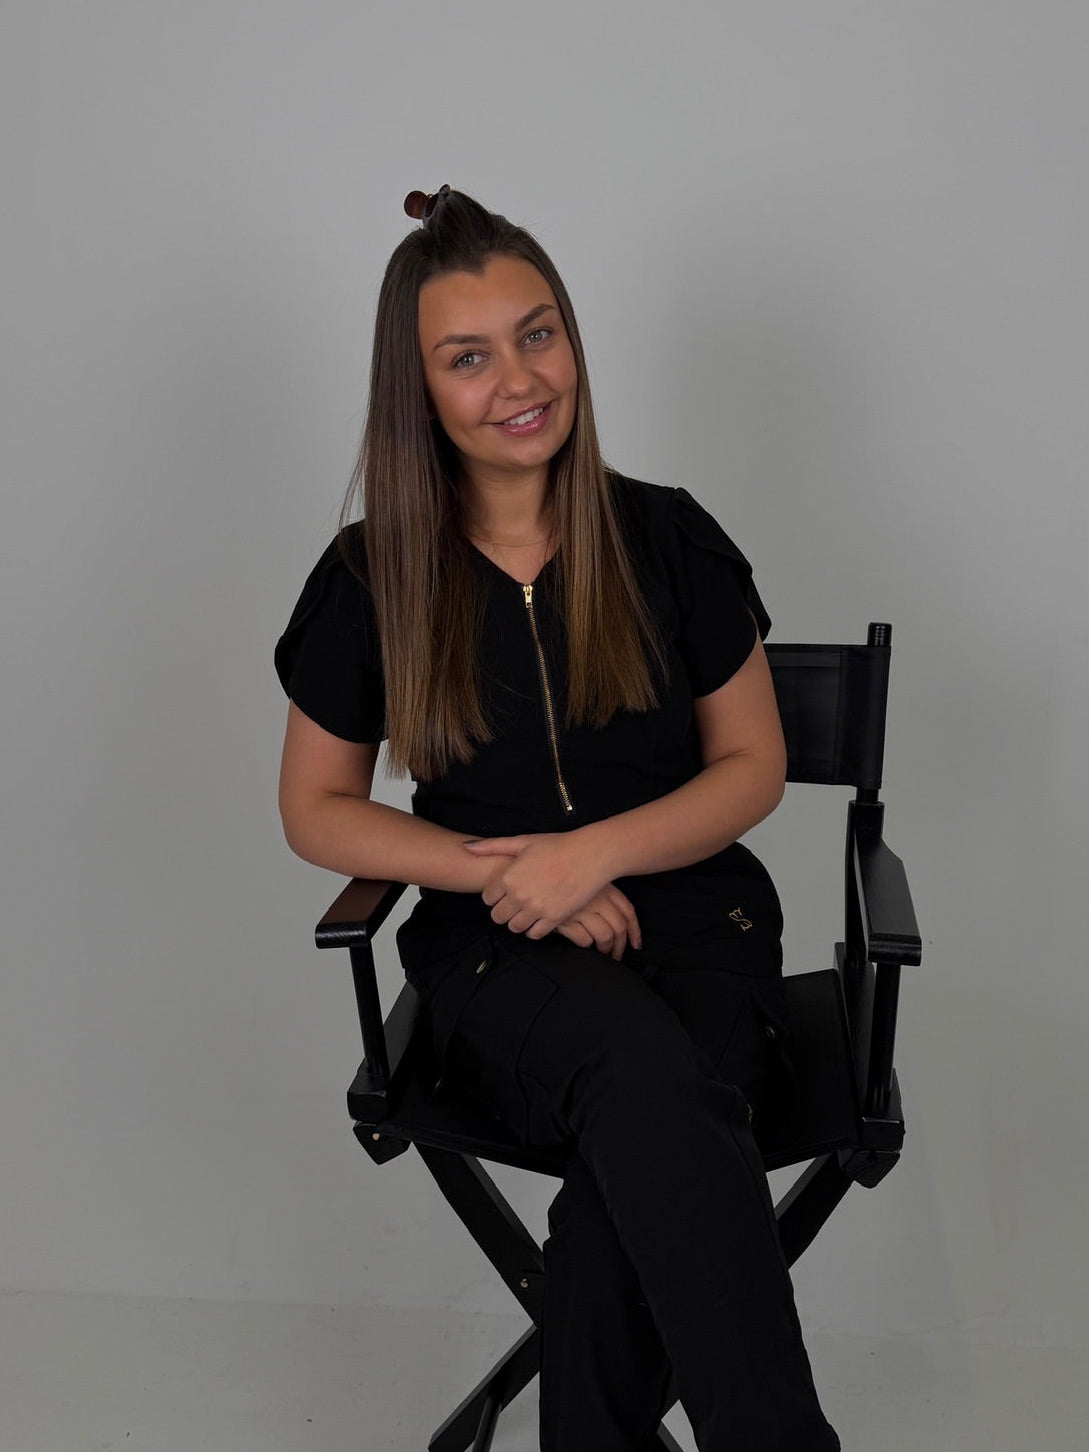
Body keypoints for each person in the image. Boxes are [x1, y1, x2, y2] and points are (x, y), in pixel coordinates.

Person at [275, 186, 840, 1452]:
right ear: (417, 389)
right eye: (468, 357)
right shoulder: (372, 576)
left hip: (704, 929)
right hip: (497, 954)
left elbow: (753, 764)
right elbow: (315, 808)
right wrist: (506, 874)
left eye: (539, 334)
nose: (520, 380)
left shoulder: (666, 537)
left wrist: (594, 855)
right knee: (654, 1087)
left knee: (636, 1167)